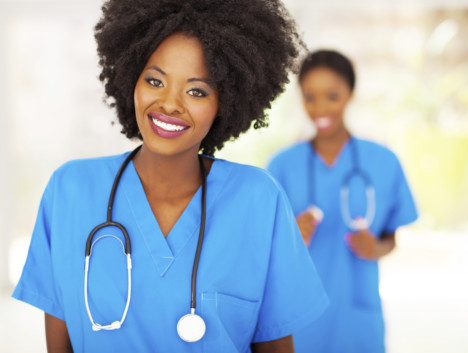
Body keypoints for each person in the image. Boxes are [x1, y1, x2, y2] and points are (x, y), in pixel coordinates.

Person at [12, 1, 329, 352]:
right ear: (132, 79)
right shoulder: (70, 191)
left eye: (197, 91)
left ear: (225, 101)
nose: (169, 104)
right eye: (154, 80)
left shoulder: (258, 200)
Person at [267, 50, 418, 353]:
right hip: (300, 318)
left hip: (357, 315)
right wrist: (289, 236)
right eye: (310, 97)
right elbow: (262, 247)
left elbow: (391, 237)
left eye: (332, 95)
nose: (320, 107)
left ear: (350, 94)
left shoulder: (383, 161)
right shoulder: (282, 165)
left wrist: (375, 248)